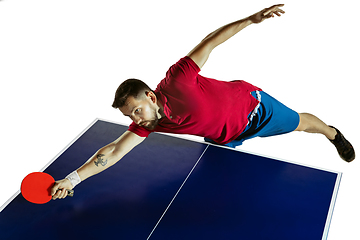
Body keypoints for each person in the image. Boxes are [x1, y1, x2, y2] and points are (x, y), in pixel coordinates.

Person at [51, 4, 355, 200]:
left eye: (138, 111)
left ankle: (333, 133)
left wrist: (251, 19)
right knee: (221, 179)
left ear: (151, 96)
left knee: (300, 123)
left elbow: (211, 41)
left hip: (255, 111)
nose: (138, 120)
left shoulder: (177, 79)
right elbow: (114, 151)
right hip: (224, 136)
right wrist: (72, 180)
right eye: (132, 116)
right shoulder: (150, 124)